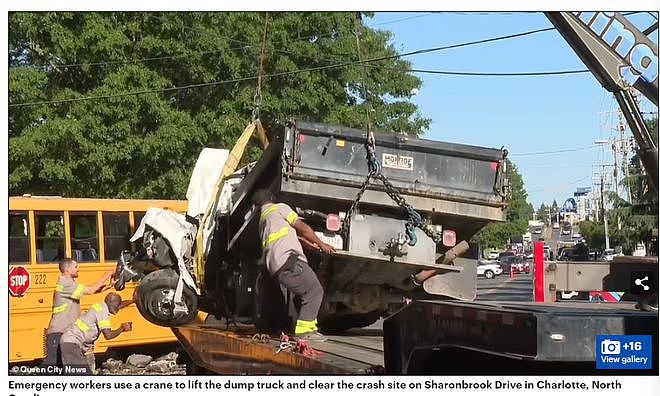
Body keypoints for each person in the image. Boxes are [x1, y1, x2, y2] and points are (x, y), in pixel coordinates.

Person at [253, 189, 336, 341]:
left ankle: (308, 327)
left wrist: (310, 245)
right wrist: (322, 244)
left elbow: (293, 235)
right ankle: (305, 331)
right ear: (272, 198)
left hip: (277, 266)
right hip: (290, 260)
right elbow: (302, 228)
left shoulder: (264, 220)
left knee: (305, 292)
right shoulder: (281, 208)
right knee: (314, 290)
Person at [41, 258, 114, 369]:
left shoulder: (70, 284)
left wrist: (109, 286)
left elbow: (91, 290)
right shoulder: (65, 283)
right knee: (51, 366)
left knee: (62, 367)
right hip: (59, 331)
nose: (78, 269)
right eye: (76, 267)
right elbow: (91, 290)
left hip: (66, 332)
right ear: (67, 269)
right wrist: (107, 274)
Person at [59, 292, 133, 374]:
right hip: (72, 343)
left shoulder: (101, 307)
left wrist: (133, 301)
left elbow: (119, 305)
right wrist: (122, 328)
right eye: (118, 305)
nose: (119, 308)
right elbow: (108, 335)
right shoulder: (102, 312)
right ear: (111, 303)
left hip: (76, 344)